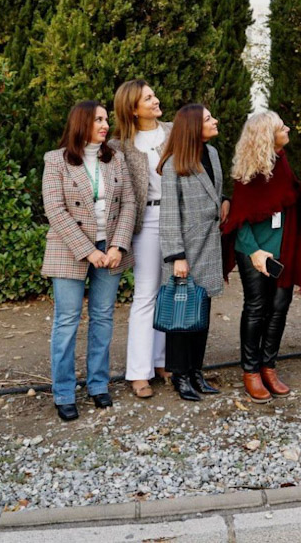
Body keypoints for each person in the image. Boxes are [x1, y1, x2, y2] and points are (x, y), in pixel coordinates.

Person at [41, 101, 136, 421]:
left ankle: (98, 385)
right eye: (98, 119)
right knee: (67, 321)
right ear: (81, 123)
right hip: (69, 248)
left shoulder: (116, 158)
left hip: (110, 249)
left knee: (103, 318)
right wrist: (89, 251)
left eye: (106, 119)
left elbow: (129, 204)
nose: (105, 124)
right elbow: (54, 210)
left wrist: (118, 246)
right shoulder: (55, 160)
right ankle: (64, 392)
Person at [221, 111, 301, 403]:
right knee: (257, 307)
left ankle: (268, 365)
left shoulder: (282, 162)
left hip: (283, 245)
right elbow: (239, 218)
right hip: (254, 249)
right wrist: (255, 251)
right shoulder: (249, 172)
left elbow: (291, 199)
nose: (287, 128)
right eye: (281, 126)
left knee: (280, 306)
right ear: (266, 134)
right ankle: (250, 371)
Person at [158, 104, 227, 402]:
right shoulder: (174, 164)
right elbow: (170, 215)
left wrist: (224, 201)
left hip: (210, 247)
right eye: (208, 118)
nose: (215, 121)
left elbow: (216, 190)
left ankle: (196, 371)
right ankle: (180, 375)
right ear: (192, 127)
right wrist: (176, 257)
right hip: (186, 250)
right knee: (181, 316)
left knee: (202, 314)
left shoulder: (211, 154)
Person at [109, 79, 172, 399]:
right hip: (144, 222)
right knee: (147, 293)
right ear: (132, 109)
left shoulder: (174, 132)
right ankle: (138, 371)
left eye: (154, 95)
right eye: (148, 98)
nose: (156, 100)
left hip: (175, 220)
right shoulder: (119, 145)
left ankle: (161, 362)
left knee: (169, 291)